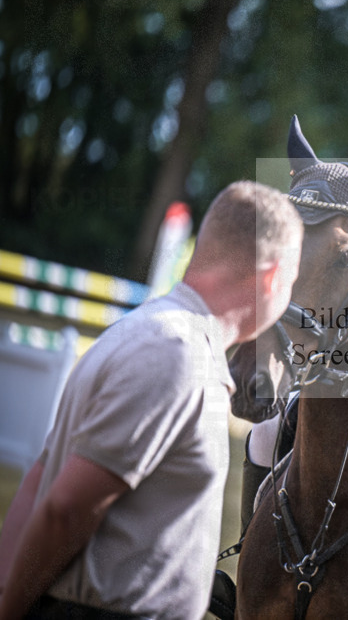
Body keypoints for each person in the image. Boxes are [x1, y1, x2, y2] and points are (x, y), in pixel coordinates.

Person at [0, 181, 302, 620]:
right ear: (272, 277)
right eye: (292, 281)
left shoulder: (145, 331)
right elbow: (66, 509)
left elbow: (40, 478)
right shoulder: (177, 356)